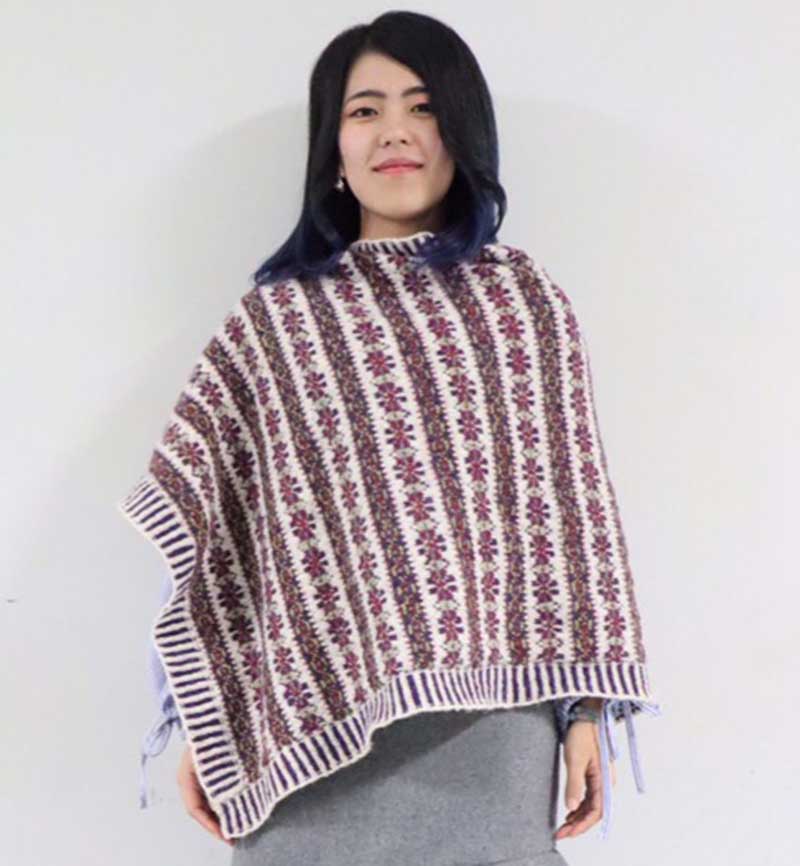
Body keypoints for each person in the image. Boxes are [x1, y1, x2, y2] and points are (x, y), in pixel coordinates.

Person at [119, 10, 662, 864]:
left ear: (461, 131)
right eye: (364, 110)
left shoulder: (523, 306)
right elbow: (213, 539)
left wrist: (586, 710)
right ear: (332, 147)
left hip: (491, 726)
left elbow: (571, 528)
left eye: (423, 106)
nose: (395, 132)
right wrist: (198, 719)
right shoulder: (277, 322)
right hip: (309, 729)